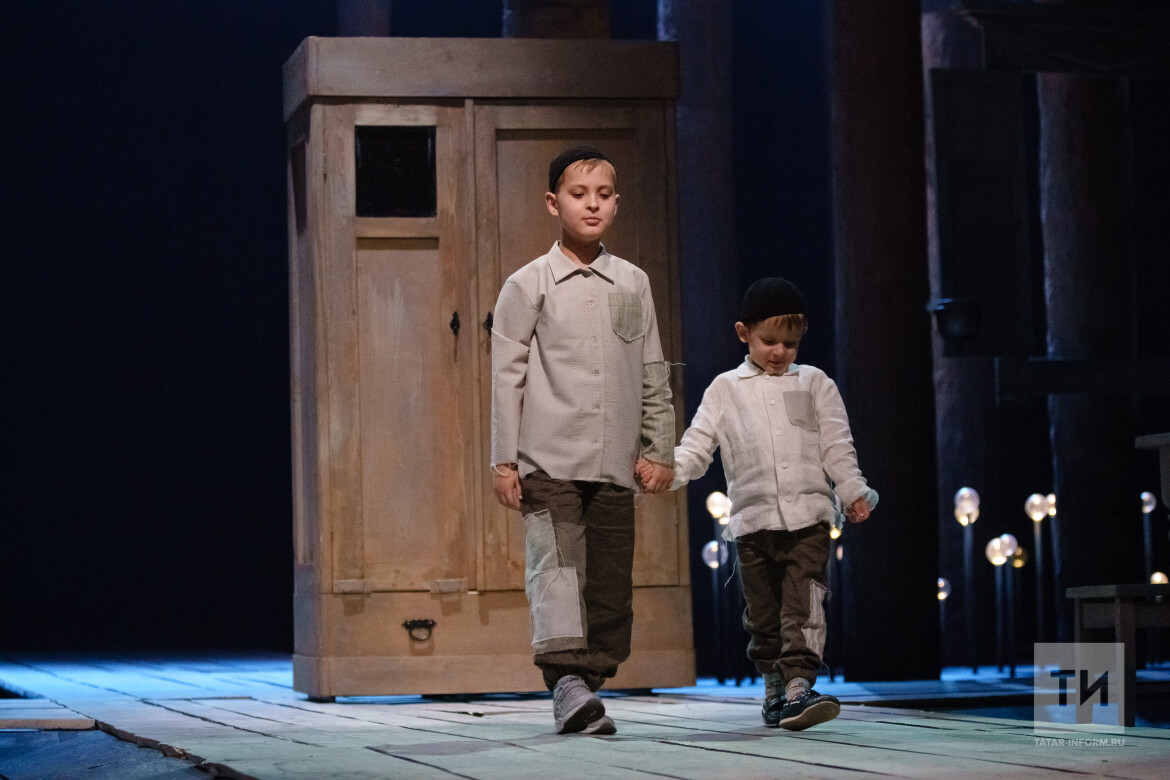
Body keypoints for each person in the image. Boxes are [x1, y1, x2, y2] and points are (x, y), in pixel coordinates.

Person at [490, 146, 675, 736]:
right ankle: (566, 683)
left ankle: (587, 683)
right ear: (554, 203)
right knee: (558, 571)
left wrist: (659, 448)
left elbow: (651, 368)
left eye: (603, 195)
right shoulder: (529, 283)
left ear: (616, 203)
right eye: (578, 194)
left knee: (610, 584)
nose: (591, 205)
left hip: (614, 462)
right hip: (549, 458)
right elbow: (506, 375)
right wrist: (504, 461)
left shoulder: (633, 282)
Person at [642, 277, 877, 731]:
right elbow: (698, 446)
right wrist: (666, 469)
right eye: (769, 341)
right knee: (764, 614)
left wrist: (852, 490)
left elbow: (837, 446)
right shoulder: (725, 389)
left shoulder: (815, 383)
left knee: (804, 602)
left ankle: (799, 687)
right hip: (753, 524)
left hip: (809, 519)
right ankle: (774, 689)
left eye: (790, 343)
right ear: (743, 333)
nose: (779, 351)